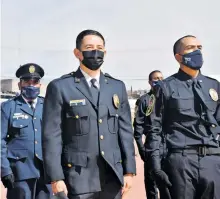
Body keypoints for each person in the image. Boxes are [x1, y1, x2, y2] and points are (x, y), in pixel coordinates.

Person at [42, 29, 136, 199]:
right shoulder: (61, 87)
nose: (95, 52)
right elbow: (52, 136)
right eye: (89, 47)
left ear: (105, 52)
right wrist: (55, 177)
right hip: (78, 177)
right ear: (77, 53)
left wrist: (129, 171)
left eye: (100, 47)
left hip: (112, 175)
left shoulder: (116, 87)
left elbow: (125, 132)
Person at [147, 35, 220, 199]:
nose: (197, 51)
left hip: (212, 160)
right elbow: (154, 129)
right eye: (191, 48)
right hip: (181, 162)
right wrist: (156, 167)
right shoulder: (165, 88)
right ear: (178, 57)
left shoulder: (214, 85)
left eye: (199, 47)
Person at [1, 63, 52, 199]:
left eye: (35, 82)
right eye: (26, 82)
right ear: (19, 85)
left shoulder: (49, 106)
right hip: (19, 173)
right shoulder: (8, 107)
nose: (31, 85)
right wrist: (5, 170)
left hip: (46, 172)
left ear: (40, 85)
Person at [133, 70, 163, 199]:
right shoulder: (144, 100)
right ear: (150, 82)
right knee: (151, 182)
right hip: (152, 144)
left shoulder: (170, 98)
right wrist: (141, 149)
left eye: (161, 78)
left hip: (171, 143)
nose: (159, 81)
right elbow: (138, 128)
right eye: (156, 78)